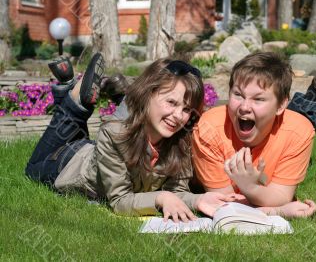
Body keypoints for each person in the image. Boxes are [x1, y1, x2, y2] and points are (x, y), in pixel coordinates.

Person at [26, 54, 234, 222]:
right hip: (64, 162)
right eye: (171, 102)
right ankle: (76, 100)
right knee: (32, 169)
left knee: (115, 128)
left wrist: (198, 200)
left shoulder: (181, 141)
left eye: (187, 109)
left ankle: (73, 87)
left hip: (99, 153)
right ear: (148, 94)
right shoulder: (114, 134)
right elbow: (120, 200)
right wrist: (161, 197)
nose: (178, 116)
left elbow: (175, 192)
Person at [191, 52, 316, 218]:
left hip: (284, 127)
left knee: (300, 123)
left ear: (280, 105)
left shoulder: (298, 131)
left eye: (258, 99)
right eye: (238, 95)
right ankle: (315, 92)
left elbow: (281, 196)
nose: (244, 107)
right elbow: (223, 206)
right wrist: (277, 210)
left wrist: (251, 188)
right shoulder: (209, 128)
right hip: (273, 126)